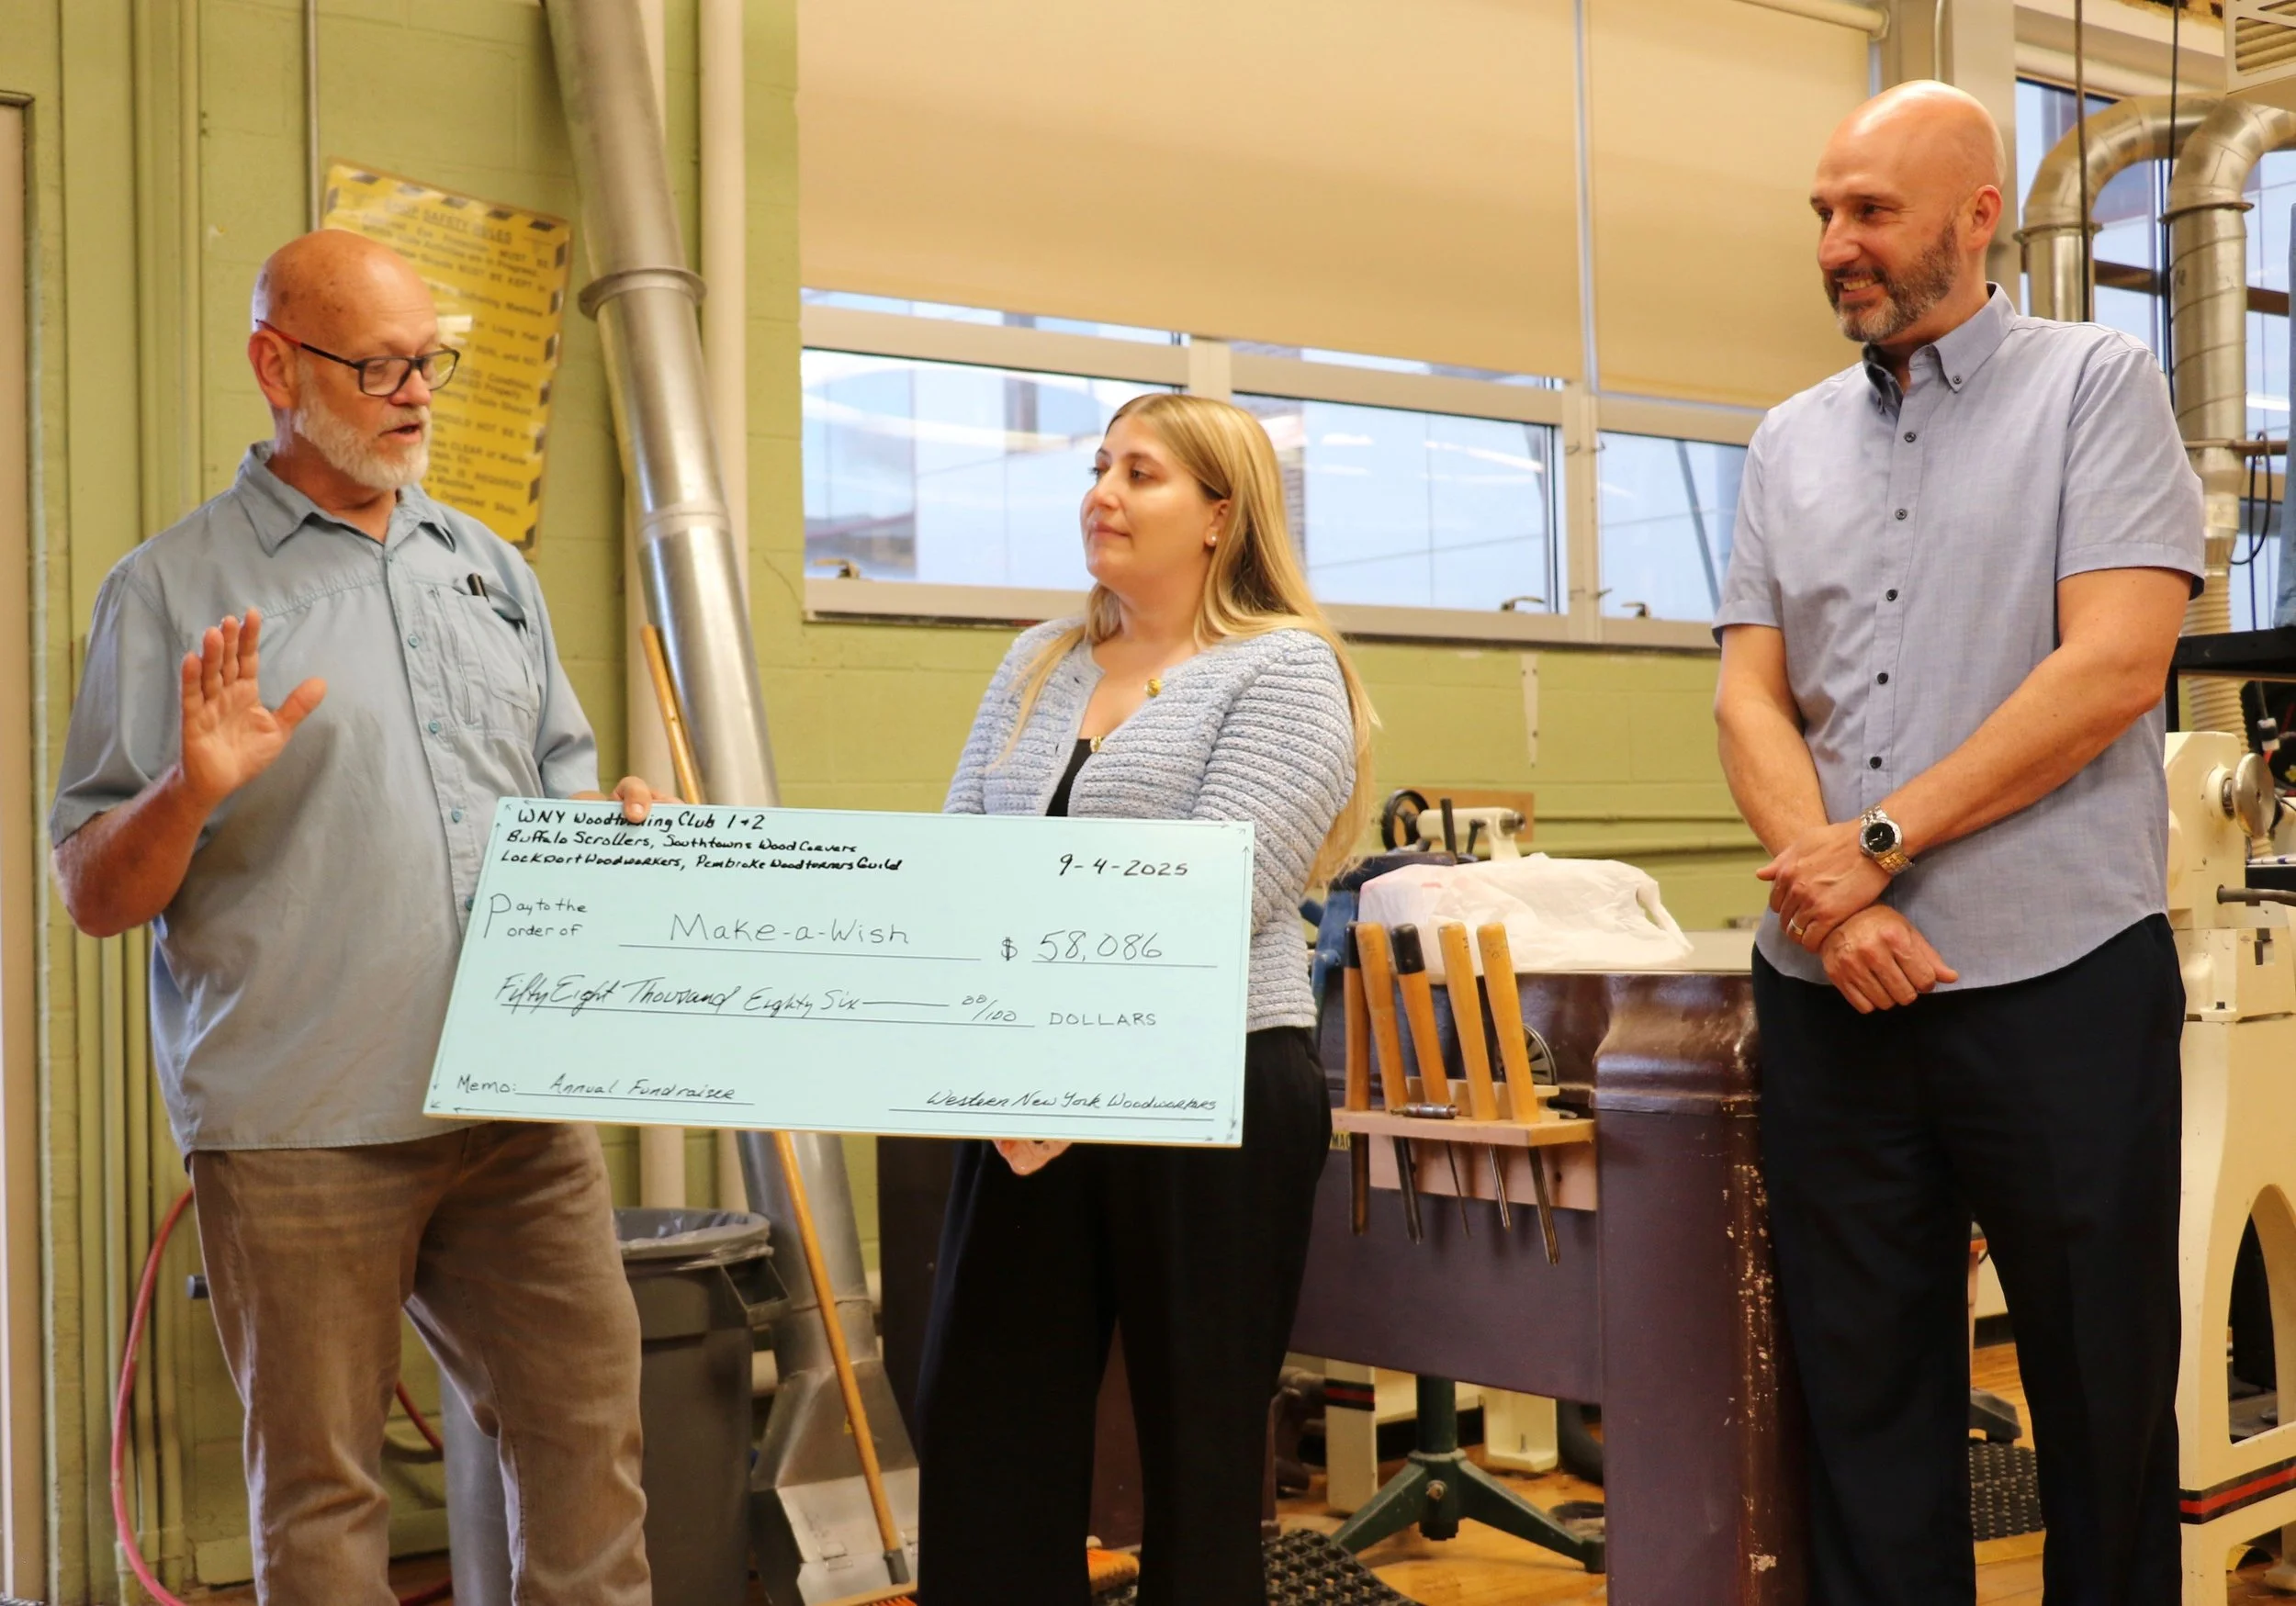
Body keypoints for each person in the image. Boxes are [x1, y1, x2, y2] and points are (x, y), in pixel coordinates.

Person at [51, 230, 667, 1605]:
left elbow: (558, 792)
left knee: (590, 1445)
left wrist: (615, 827)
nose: (417, 393)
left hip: (517, 1108)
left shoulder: (489, 568)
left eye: (429, 361)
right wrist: (189, 789)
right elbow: (93, 893)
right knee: (323, 1497)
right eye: (379, 366)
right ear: (278, 368)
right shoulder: (169, 589)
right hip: (305, 1124)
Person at [1713, 83, 2203, 1603]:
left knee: (2100, 1399)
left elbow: (2115, 665)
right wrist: (1836, 903)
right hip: (1834, 996)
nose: (1835, 245)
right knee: (1863, 1406)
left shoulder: (2095, 386)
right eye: (1823, 213)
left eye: (1872, 212)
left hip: (2057, 982)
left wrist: (1877, 841)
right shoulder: (1786, 441)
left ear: (1978, 215)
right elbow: (1749, 695)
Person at [916, 392, 1371, 1605]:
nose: (1102, 495)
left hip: (1212, 1082)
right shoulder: (1038, 662)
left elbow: (1221, 895)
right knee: (985, 1426)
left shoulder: (1284, 669)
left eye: (1142, 473)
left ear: (1221, 514)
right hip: (1022, 1095)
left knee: (1200, 1452)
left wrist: (1070, 1062)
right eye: (1099, 467)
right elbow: (956, 867)